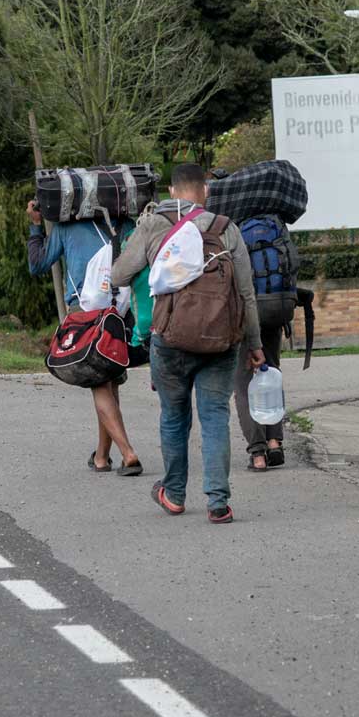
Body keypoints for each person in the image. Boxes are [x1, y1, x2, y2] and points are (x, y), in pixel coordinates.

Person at [108, 163, 264, 524]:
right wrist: (254, 343)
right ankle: (218, 501)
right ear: (205, 191)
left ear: (172, 192)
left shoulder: (154, 224)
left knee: (174, 416)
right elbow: (246, 293)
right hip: (221, 341)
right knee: (215, 416)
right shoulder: (226, 228)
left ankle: (174, 494)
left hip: (170, 339)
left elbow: (119, 275)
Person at [27, 199, 143, 476]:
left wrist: (35, 226)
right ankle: (102, 456)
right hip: (119, 312)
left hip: (85, 314)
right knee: (109, 381)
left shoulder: (66, 228)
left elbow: (38, 264)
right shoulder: (125, 224)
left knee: (98, 382)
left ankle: (128, 453)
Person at [233, 214, 298, 471]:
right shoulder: (276, 222)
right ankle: (274, 442)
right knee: (270, 372)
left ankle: (258, 453)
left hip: (245, 313)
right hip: (274, 306)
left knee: (243, 381)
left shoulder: (231, 226)